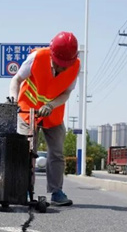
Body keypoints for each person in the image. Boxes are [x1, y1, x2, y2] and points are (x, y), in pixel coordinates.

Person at [8, 31, 81, 206]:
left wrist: (50, 106)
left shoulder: (75, 67)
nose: (61, 68)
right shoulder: (37, 57)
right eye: (58, 64)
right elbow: (16, 80)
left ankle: (56, 192)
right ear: (52, 54)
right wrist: (12, 99)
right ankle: (23, 189)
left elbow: (66, 93)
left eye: (65, 65)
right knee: (26, 151)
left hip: (53, 113)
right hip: (27, 110)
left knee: (56, 153)